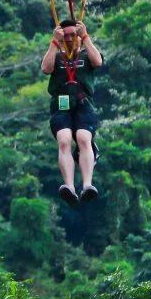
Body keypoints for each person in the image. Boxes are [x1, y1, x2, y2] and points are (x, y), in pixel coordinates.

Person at [41, 19, 104, 205]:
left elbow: (98, 62)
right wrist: (54, 42)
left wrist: (85, 36)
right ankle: (69, 186)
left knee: (84, 139)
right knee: (64, 140)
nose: (69, 39)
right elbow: (45, 69)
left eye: (72, 35)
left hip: (83, 104)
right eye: (65, 36)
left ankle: (87, 185)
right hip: (61, 105)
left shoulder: (85, 56)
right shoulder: (57, 56)